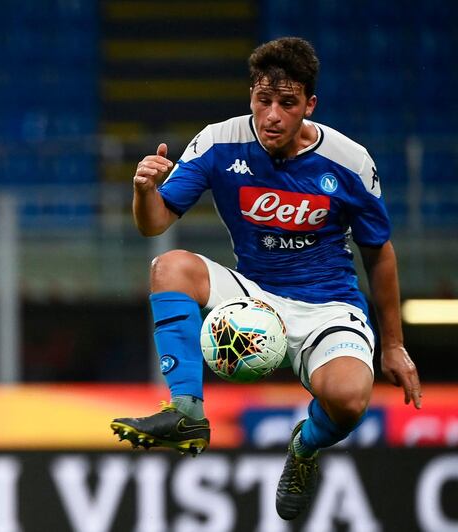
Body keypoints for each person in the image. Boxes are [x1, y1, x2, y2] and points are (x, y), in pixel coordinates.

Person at [110, 37, 422, 520]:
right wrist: (143, 189)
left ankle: (305, 448)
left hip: (328, 304)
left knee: (349, 398)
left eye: (287, 103)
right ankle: (187, 412)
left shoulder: (349, 160)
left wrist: (394, 344)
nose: (272, 115)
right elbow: (154, 223)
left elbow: (378, 252)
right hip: (254, 292)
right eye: (263, 100)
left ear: (309, 105)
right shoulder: (219, 141)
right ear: (251, 96)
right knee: (168, 266)